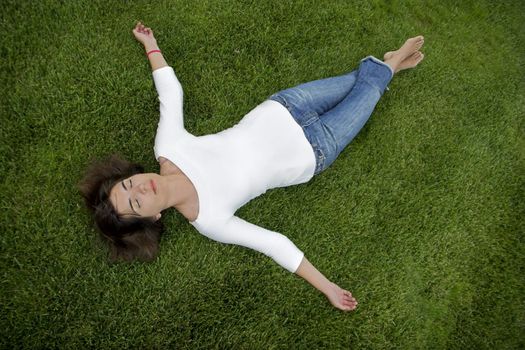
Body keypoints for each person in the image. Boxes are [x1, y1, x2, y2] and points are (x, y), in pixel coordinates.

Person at [80, 21, 424, 312]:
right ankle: (388, 66)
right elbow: (273, 243)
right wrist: (327, 287)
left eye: (128, 185)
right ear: (152, 218)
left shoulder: (168, 149)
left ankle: (388, 67)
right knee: (367, 86)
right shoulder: (209, 219)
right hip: (316, 150)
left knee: (360, 83)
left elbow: (171, 94)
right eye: (136, 203)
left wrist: (151, 45)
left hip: (287, 105)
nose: (139, 189)